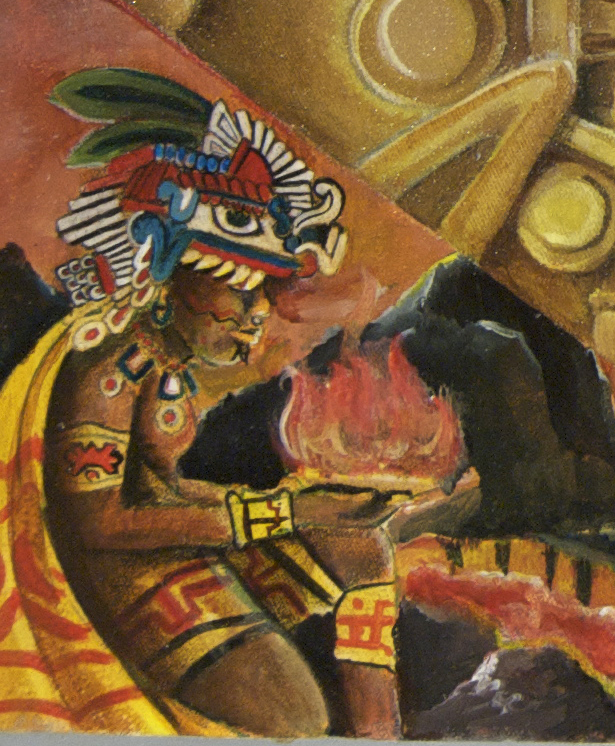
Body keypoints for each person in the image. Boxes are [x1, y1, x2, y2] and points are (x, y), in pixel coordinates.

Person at [0, 69, 461, 737]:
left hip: (161, 549)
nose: (255, 318)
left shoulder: (163, 366)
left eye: (262, 298)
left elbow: (158, 491)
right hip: (111, 578)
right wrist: (278, 512)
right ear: (168, 272)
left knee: (361, 546)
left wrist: (301, 503)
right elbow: (99, 524)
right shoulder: (110, 373)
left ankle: (378, 736)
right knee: (295, 715)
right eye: (241, 292)